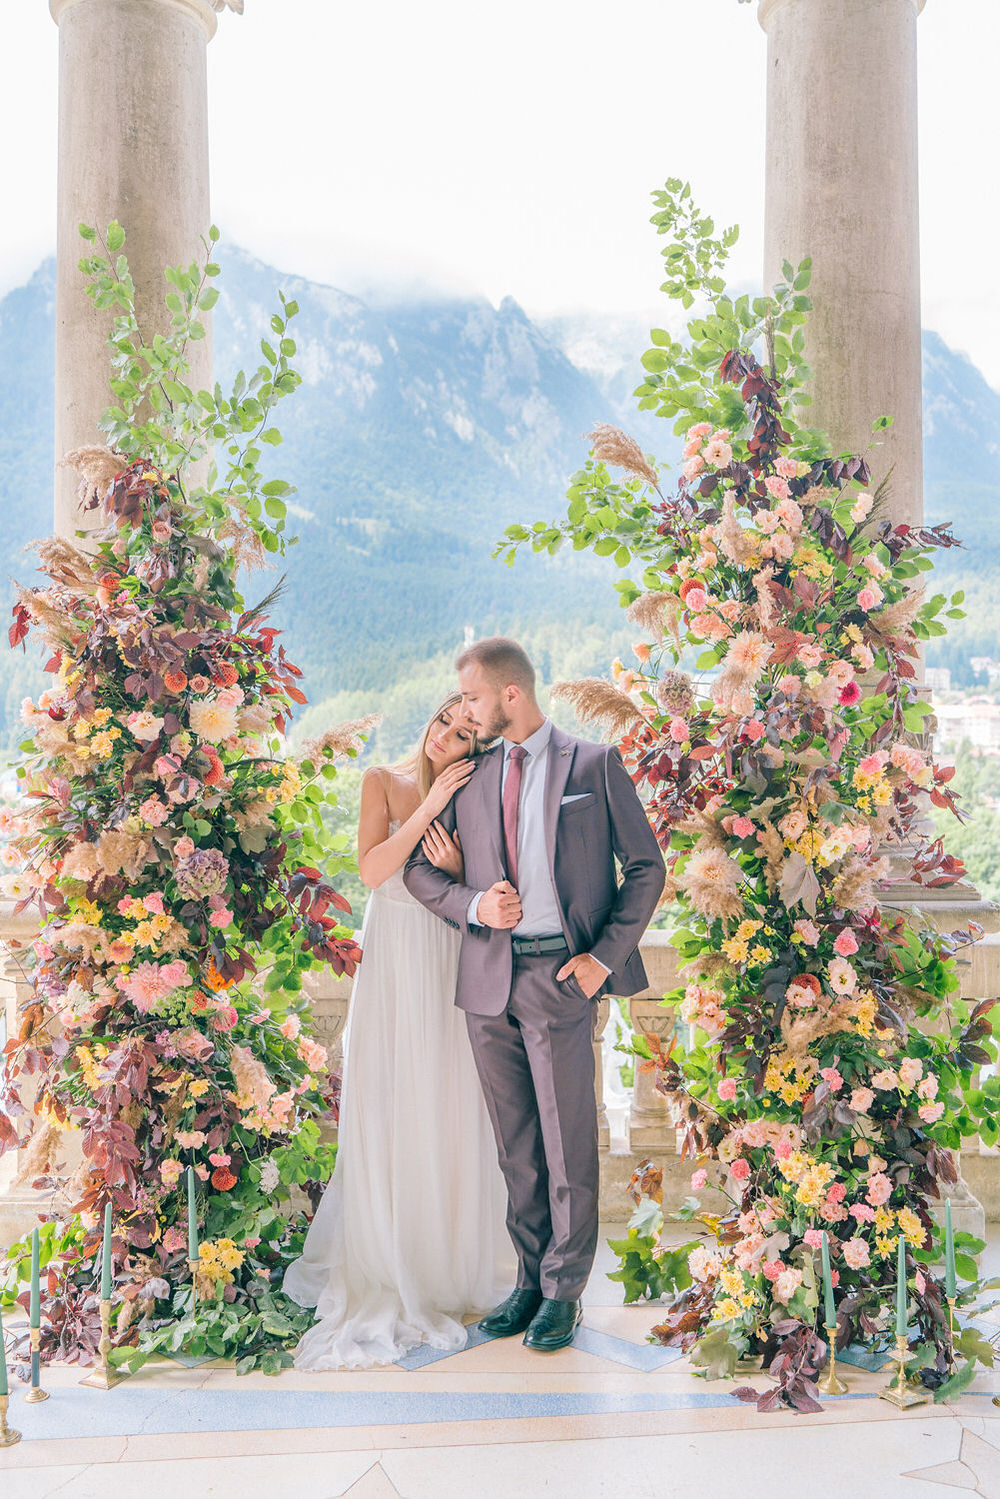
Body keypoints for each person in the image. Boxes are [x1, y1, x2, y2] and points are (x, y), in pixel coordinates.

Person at [404, 638, 664, 1352]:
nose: (466, 711)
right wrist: (474, 904)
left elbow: (647, 868)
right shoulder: (471, 775)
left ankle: (564, 1291)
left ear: (510, 693)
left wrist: (601, 960)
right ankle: (527, 1282)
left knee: (566, 1141)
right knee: (516, 1146)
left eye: (473, 698)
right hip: (488, 982)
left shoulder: (594, 765)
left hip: (562, 979)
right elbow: (419, 872)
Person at [283, 694, 511, 1369]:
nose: (446, 737)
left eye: (464, 734)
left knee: (445, 1101)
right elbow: (373, 869)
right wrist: (430, 801)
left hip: (446, 951)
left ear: (476, 748)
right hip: (392, 957)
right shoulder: (382, 781)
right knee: (388, 1101)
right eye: (444, 722)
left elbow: (489, 882)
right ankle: (388, 1255)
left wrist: (459, 871)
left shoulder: (477, 794)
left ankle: (442, 1262)